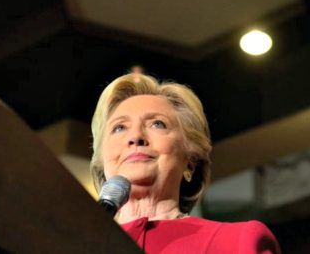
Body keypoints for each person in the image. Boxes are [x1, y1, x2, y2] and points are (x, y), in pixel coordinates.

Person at [90, 73, 281, 254]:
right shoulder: (76, 244)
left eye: (157, 124)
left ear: (190, 160)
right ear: (101, 160)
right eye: (119, 127)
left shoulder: (235, 243)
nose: (136, 137)